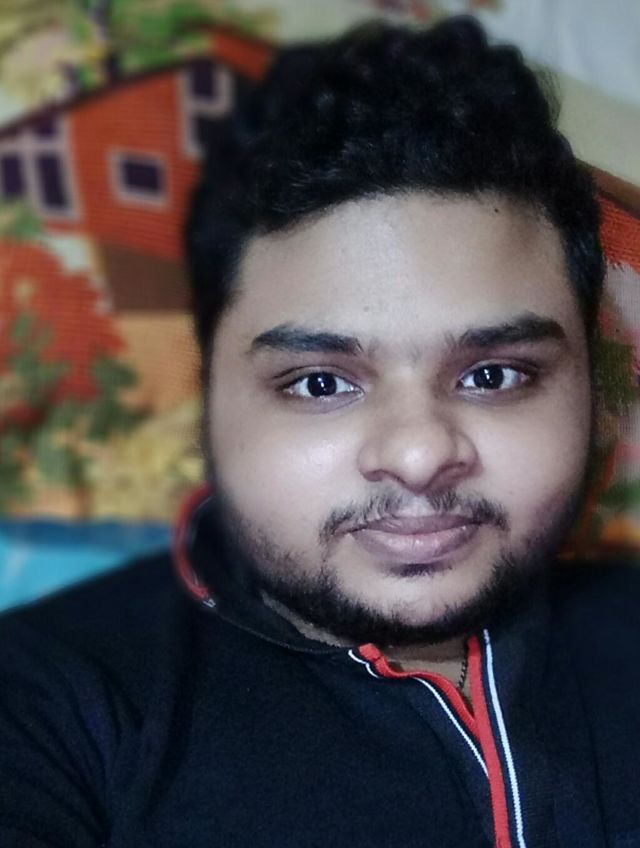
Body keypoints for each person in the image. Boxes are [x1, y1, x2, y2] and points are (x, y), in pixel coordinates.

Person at [1, 15, 639, 848]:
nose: (419, 455)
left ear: (591, 389)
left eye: (492, 375)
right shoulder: (50, 700)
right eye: (321, 383)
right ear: (210, 405)